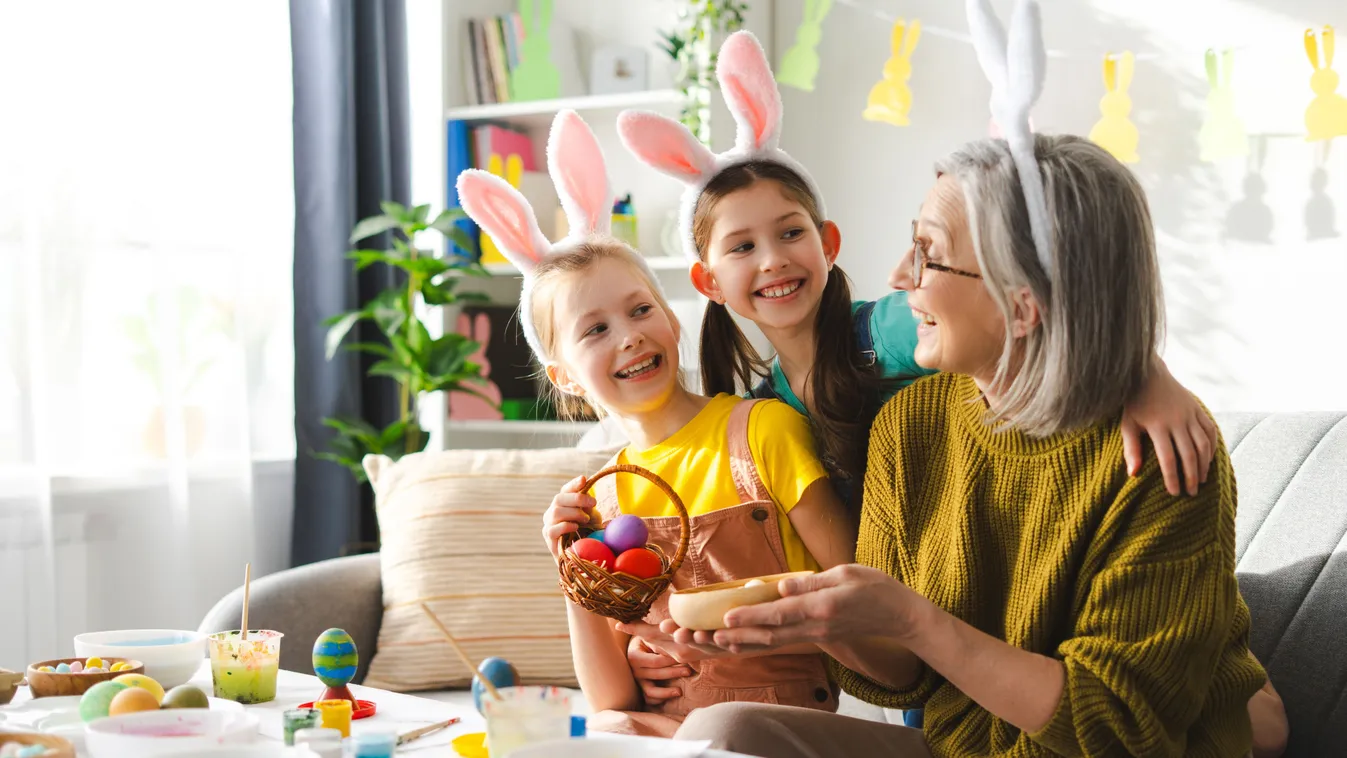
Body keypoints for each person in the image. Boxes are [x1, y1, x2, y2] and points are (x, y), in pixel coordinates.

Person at [659, 4, 1290, 756]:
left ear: (1021, 303)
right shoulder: (909, 422)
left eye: (925, 254)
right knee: (722, 733)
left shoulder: (1157, 458)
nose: (899, 277)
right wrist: (818, 624)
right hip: (962, 739)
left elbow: (1113, 731)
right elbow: (901, 676)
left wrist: (914, 618)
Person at [455, 110, 855, 738]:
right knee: (608, 729)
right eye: (595, 329)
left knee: (704, 731)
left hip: (769, 729)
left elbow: (858, 594)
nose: (630, 336)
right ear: (564, 377)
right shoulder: (607, 497)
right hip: (671, 734)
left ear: (673, 321)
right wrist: (573, 567)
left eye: (641, 310)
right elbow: (611, 696)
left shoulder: (762, 433)